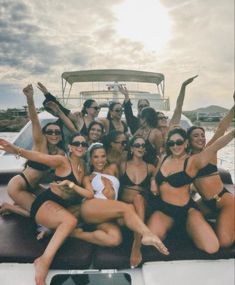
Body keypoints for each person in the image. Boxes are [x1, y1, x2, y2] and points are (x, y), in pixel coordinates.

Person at [0, 134, 92, 285]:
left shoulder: (84, 167)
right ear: (70, 146)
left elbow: (87, 194)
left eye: (84, 143)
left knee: (80, 212)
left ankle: (11, 209)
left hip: (60, 206)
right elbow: (40, 157)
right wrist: (16, 150)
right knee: (70, 221)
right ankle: (44, 260)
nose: (80, 146)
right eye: (76, 143)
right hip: (46, 202)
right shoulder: (63, 161)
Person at [73, 143, 169, 259]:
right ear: (91, 159)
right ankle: (146, 235)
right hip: (91, 207)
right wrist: (71, 185)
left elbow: (124, 154)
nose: (100, 160)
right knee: (127, 208)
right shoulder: (88, 178)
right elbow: (89, 194)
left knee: (115, 239)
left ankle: (76, 234)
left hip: (106, 216)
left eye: (103, 156)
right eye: (96, 157)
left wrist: (160, 160)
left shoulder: (113, 168)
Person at [148, 127, 234, 254]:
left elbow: (215, 146)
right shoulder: (164, 157)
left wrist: (232, 133)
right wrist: (153, 182)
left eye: (179, 142)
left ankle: (189, 228)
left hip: (186, 211)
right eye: (171, 143)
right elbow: (155, 175)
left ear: (186, 142)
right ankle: (181, 229)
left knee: (212, 247)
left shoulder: (193, 161)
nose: (175, 146)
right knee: (152, 242)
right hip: (165, 211)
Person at [0, 84, 65, 217]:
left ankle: (19, 204)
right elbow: (34, 120)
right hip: (18, 185)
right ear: (44, 134)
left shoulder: (60, 153)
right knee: (42, 215)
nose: (53, 134)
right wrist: (30, 98)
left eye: (57, 132)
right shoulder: (40, 144)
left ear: (60, 135)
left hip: (34, 187)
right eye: (50, 132)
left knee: (56, 205)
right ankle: (8, 206)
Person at [187, 99, 235, 247]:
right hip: (207, 203)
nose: (201, 138)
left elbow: (221, 129)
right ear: (188, 141)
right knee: (187, 214)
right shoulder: (186, 160)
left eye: (202, 135)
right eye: (196, 136)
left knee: (225, 242)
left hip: (224, 201)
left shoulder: (209, 152)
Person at [119, 135, 156, 267]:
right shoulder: (122, 166)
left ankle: (137, 244)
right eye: (137, 145)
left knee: (139, 198)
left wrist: (152, 181)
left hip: (142, 205)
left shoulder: (150, 167)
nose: (141, 147)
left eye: (143, 145)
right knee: (131, 206)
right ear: (131, 149)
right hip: (125, 208)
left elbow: (156, 185)